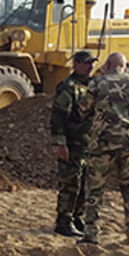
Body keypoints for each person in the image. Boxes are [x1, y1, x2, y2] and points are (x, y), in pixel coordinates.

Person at [78, 52, 129, 245]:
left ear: (108, 64)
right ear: (124, 66)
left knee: (95, 190)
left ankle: (91, 233)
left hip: (102, 144)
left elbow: (83, 108)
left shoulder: (97, 83)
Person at [49, 50, 97, 237]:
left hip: (87, 144)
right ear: (76, 64)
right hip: (72, 143)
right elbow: (58, 117)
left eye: (92, 62)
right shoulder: (68, 87)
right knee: (70, 184)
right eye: (86, 63)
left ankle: (78, 217)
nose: (91, 66)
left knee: (85, 183)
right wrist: (61, 144)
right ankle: (63, 221)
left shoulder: (92, 85)